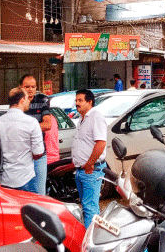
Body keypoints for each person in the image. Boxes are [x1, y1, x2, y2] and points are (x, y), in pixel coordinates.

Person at [0, 87, 44, 193]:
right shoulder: (31, 122)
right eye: (27, 98)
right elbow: (38, 152)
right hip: (25, 178)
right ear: (22, 100)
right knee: (30, 208)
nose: (28, 101)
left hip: (4, 180)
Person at [73, 89, 107, 227]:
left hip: (91, 171)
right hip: (81, 171)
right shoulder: (82, 118)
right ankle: (94, 237)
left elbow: (101, 143)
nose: (77, 103)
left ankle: (89, 245)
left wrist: (90, 163)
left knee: (90, 209)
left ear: (90, 102)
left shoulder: (95, 117)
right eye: (76, 100)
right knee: (88, 207)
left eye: (80, 100)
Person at [21, 74, 52, 195]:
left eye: (33, 86)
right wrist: (37, 127)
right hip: (22, 155)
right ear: (21, 87)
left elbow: (48, 125)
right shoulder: (18, 103)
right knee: (24, 192)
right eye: (27, 86)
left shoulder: (42, 101)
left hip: (39, 154)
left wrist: (26, 128)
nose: (30, 89)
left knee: (40, 193)